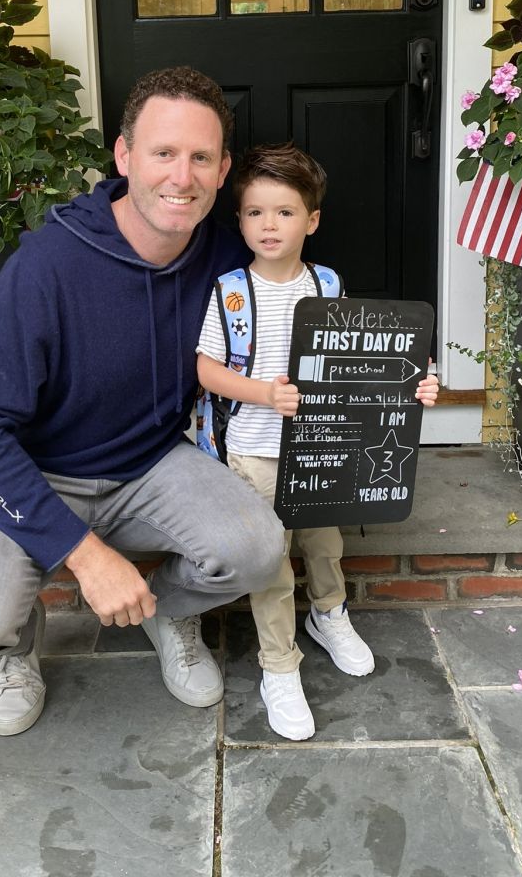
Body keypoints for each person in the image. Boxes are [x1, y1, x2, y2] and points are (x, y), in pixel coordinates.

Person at [0, 67, 285, 736]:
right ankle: (16, 644)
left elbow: (296, 314)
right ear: (123, 156)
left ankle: (166, 612)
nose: (181, 177)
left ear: (223, 168)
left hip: (150, 465)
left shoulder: (227, 254)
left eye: (201, 157)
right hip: (38, 472)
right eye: (163, 153)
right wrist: (85, 555)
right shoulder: (48, 265)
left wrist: (397, 368)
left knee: (257, 548)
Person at [196, 143, 440, 740]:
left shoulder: (327, 283)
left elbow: (356, 355)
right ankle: (278, 664)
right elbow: (204, 367)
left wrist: (411, 378)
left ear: (312, 220)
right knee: (272, 562)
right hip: (253, 450)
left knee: (325, 543)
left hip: (323, 447)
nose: (269, 225)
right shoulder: (231, 291)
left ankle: (329, 616)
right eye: (255, 213)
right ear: (241, 220)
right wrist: (262, 394)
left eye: (284, 212)